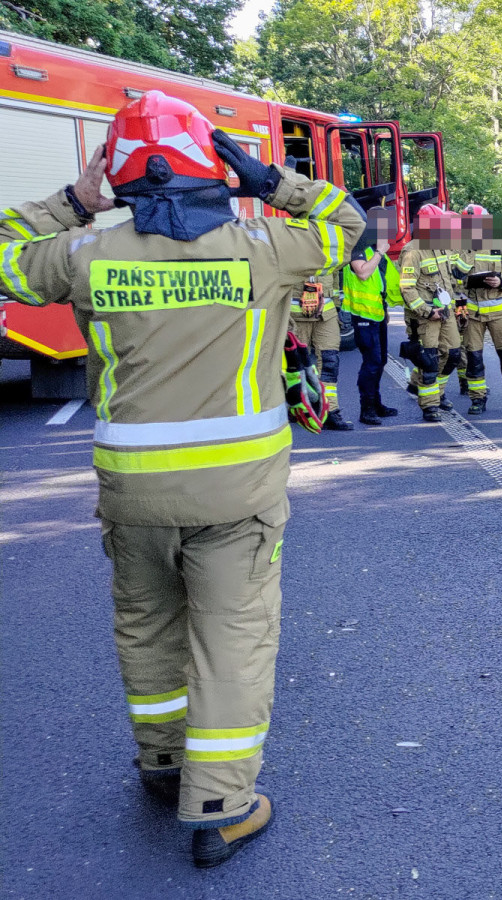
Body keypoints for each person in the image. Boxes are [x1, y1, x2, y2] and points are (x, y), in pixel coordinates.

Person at [0, 91, 364, 866]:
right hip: (238, 494)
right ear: (212, 165)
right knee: (232, 640)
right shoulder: (263, 248)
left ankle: (162, 765)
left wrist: (74, 200)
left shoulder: (84, 256)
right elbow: (350, 226)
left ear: (118, 174)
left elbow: (3, 252)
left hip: (134, 492)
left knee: (149, 626)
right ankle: (221, 805)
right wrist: (271, 180)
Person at [397, 204, 463, 422]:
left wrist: (458, 307)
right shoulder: (413, 251)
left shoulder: (442, 246)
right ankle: (430, 405)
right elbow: (407, 288)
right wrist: (426, 312)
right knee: (430, 360)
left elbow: (451, 281)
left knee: (452, 354)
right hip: (426, 316)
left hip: (445, 311)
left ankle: (433, 390)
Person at [457, 204, 502, 415]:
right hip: (472, 314)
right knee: (474, 359)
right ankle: (478, 399)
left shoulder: (500, 246)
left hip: (499, 314)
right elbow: (453, 278)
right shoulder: (459, 247)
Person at [341, 209, 401, 426]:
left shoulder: (376, 249)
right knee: (372, 362)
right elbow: (363, 273)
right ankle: (366, 410)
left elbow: (380, 284)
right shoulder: (359, 246)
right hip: (362, 315)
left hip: (377, 314)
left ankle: (376, 404)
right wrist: (379, 253)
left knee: (381, 360)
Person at [288, 271, 354, 430]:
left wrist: (337, 307)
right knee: (297, 365)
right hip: (296, 316)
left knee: (330, 362)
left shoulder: (330, 248)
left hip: (327, 314)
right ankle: (298, 406)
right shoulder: (292, 246)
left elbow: (336, 275)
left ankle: (329, 411)